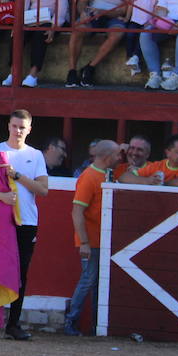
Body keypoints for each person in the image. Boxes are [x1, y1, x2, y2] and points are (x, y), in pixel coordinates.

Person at [0, 109, 49, 341]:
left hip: (26, 221)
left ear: (29, 129)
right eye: (14, 126)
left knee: (20, 274)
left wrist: (16, 176)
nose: (18, 131)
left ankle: (13, 324)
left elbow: (43, 190)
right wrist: (1, 197)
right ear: (8, 126)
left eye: (22, 127)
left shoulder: (35, 155)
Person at [66, 0, 141, 87]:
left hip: (114, 17)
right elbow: (82, 2)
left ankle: (90, 67)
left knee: (117, 34)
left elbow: (125, 10)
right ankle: (72, 71)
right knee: (78, 29)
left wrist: (103, 12)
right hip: (93, 14)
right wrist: (84, 13)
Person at [64, 139, 118, 336]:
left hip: (100, 239)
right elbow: (76, 211)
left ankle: (95, 324)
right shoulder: (89, 177)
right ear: (108, 157)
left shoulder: (105, 174)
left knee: (95, 282)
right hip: (91, 240)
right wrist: (84, 242)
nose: (119, 158)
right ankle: (70, 321)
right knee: (89, 280)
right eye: (117, 155)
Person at [16, 0, 70, 87]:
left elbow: (61, 7)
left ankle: (33, 74)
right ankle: (13, 73)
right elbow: (25, 3)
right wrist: (19, 22)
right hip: (32, 17)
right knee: (18, 34)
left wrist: (54, 26)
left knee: (41, 33)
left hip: (52, 18)